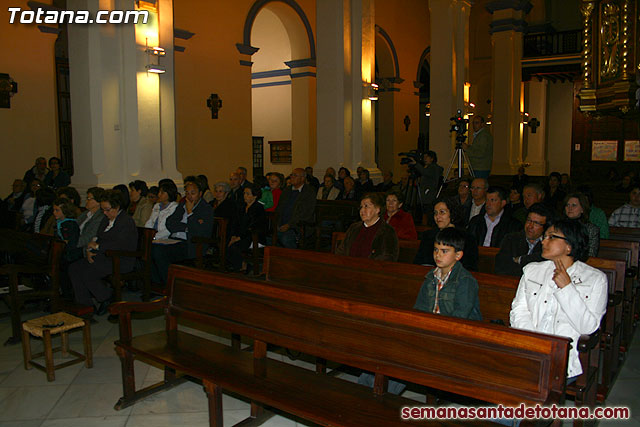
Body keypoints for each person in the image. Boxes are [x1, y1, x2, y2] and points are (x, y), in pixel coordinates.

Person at [360, 227, 481, 395]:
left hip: (455, 339)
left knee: (407, 359)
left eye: (444, 251)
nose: (438, 255)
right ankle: (365, 390)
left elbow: (459, 320)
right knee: (389, 348)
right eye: (436, 250)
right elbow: (419, 310)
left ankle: (380, 396)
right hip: (430, 333)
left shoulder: (466, 281)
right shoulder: (430, 278)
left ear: (458, 255)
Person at [510, 219, 607, 379]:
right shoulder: (532, 271)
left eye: (551, 237)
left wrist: (567, 288)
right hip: (529, 348)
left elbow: (588, 327)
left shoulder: (595, 279)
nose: (543, 241)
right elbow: (519, 311)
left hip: (564, 359)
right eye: (544, 237)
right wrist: (534, 344)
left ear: (569, 246)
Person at [68, 190, 138, 313]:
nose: (105, 213)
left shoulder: (126, 221)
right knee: (74, 268)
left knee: (87, 272)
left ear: (117, 207)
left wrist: (97, 247)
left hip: (120, 259)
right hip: (104, 256)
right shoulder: (106, 220)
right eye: (103, 210)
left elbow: (120, 244)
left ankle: (106, 297)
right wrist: (90, 250)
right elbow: (98, 237)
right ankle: (86, 305)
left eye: (107, 209)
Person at [151, 180, 214, 286]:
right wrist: (186, 228)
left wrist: (190, 213)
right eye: (187, 193)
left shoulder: (206, 209)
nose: (189, 196)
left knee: (158, 252)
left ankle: (169, 286)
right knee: (150, 248)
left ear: (200, 193)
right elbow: (170, 223)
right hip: (174, 239)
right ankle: (157, 284)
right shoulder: (182, 205)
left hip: (190, 243)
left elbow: (198, 231)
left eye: (193, 193)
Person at [414, 198, 478, 271]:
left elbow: (470, 267)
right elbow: (419, 261)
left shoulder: (467, 238)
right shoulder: (428, 235)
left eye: (442, 212)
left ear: (452, 213)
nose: (437, 217)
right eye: (435, 213)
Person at [336, 193, 399, 261]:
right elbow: (342, 250)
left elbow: (387, 257)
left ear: (377, 209)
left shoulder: (387, 231)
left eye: (366, 206)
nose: (362, 211)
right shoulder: (354, 228)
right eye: (361, 207)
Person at [495, 203, 552, 276]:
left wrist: (520, 260)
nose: (530, 226)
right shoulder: (511, 239)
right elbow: (501, 266)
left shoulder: (548, 244)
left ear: (545, 227)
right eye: (529, 220)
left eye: (536, 223)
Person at [227, 184, 267, 272]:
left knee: (235, 246)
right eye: (244, 193)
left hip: (254, 237)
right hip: (242, 235)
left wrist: (239, 237)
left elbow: (253, 226)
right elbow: (236, 223)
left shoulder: (258, 208)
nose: (245, 196)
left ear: (255, 196)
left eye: (248, 194)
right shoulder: (242, 207)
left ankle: (243, 266)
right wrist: (234, 235)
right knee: (226, 241)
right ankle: (239, 265)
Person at [276, 168, 316, 248]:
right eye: (291, 175)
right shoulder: (287, 190)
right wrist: (277, 223)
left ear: (302, 178)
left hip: (298, 226)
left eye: (295, 175)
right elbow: (279, 208)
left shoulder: (309, 192)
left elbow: (305, 213)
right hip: (281, 224)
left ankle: (293, 257)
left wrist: (289, 225)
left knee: (285, 238)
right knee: (267, 237)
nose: (292, 177)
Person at [409, 150, 443, 223]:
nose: (424, 159)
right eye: (424, 157)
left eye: (426, 157)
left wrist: (416, 164)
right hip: (424, 195)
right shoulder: (427, 167)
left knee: (427, 216)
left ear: (432, 158)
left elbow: (425, 172)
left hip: (428, 196)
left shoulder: (434, 168)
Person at [563, 193, 599, 257]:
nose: (570, 208)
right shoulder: (559, 226)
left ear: (582, 209)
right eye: (567, 205)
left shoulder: (591, 229)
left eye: (574, 205)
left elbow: (591, 254)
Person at [52, 197, 82, 263]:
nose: (54, 212)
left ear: (65, 210)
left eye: (57, 210)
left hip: (70, 255)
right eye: (53, 210)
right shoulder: (59, 222)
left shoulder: (71, 224)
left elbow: (72, 242)